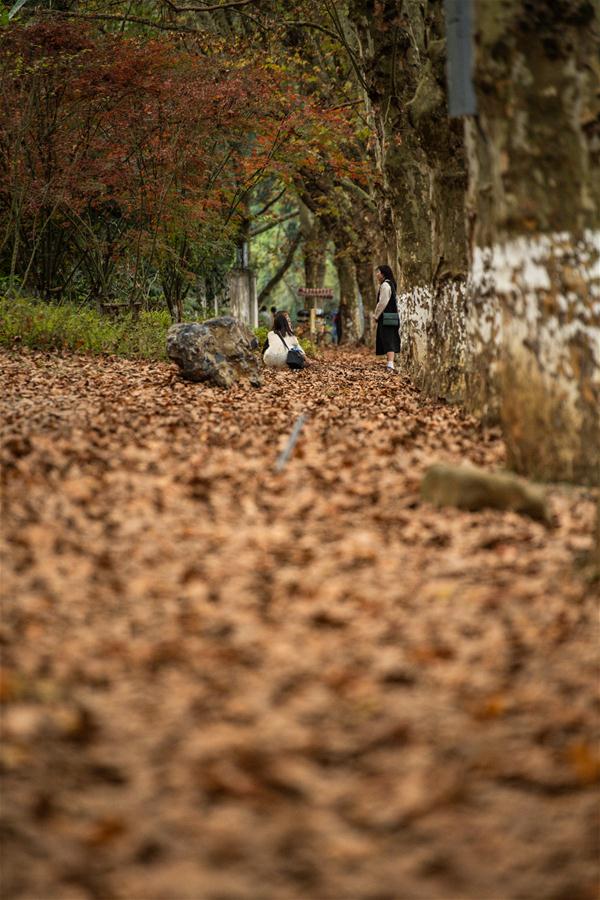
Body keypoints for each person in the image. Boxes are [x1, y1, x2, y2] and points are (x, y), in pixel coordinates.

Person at [372, 264, 400, 372]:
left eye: (378, 272)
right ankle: (390, 363)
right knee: (390, 338)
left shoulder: (385, 286)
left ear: (383, 274)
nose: (376, 274)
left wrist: (376, 315)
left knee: (388, 339)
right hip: (392, 316)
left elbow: (382, 302)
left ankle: (390, 364)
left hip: (386, 317)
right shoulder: (391, 284)